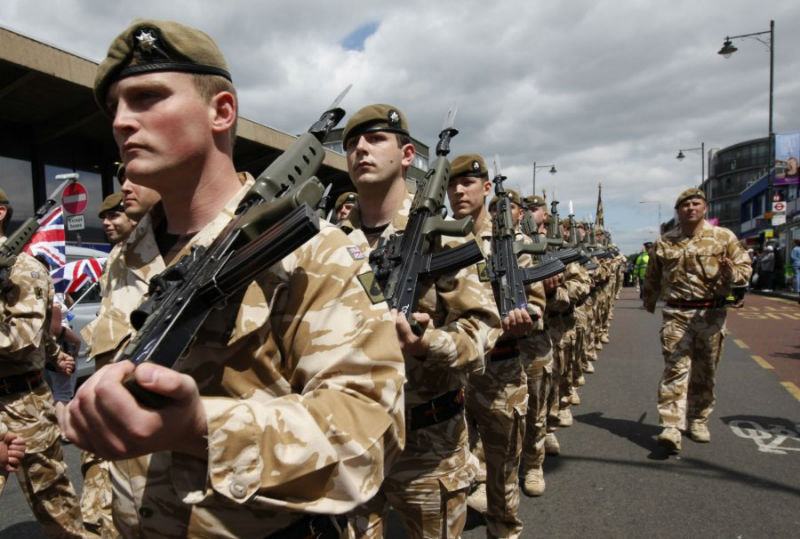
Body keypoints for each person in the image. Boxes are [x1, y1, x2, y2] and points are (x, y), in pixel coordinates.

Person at [61, 19, 405, 537]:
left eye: (147, 98)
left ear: (221, 111)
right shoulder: (128, 259)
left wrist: (201, 427)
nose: (123, 122)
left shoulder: (314, 252)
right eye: (115, 108)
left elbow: (367, 439)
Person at [339, 106, 500, 538]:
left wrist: (427, 344)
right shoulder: (328, 240)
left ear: (407, 154)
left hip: (428, 444)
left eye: (375, 140)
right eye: (351, 144)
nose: (360, 150)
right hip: (349, 440)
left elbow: (483, 327)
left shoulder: (442, 233)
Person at [446, 154, 543, 536]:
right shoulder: (441, 238)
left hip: (502, 367)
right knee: (449, 465)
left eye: (467, 183)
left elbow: (537, 302)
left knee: (503, 467)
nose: (458, 191)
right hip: (453, 374)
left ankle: (503, 529)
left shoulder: (514, 241)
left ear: (486, 188)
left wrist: (527, 318)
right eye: (452, 185)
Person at [0, 188, 85, 536]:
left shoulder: (23, 269)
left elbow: (23, 338)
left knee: (54, 506)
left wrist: (53, 355)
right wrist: (56, 357)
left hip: (21, 405)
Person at [643, 187, 752, 452]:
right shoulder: (665, 242)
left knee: (706, 371)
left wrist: (733, 275)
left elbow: (745, 269)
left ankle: (698, 419)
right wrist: (649, 301)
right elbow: (653, 276)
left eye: (695, 203)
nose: (690, 208)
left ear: (704, 208)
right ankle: (671, 425)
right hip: (677, 314)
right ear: (678, 211)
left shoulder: (723, 237)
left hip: (711, 314)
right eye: (685, 205)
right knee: (675, 369)